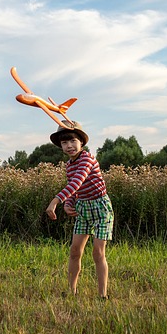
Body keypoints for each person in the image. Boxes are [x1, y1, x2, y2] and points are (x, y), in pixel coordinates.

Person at [46, 121, 114, 299]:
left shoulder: (87, 159)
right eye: (64, 143)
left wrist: (55, 201)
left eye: (72, 141)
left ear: (81, 142)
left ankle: (102, 296)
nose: (69, 146)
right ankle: (72, 291)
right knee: (75, 250)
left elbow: (78, 181)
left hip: (100, 208)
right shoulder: (69, 166)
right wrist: (68, 203)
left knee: (98, 252)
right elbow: (73, 189)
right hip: (83, 208)